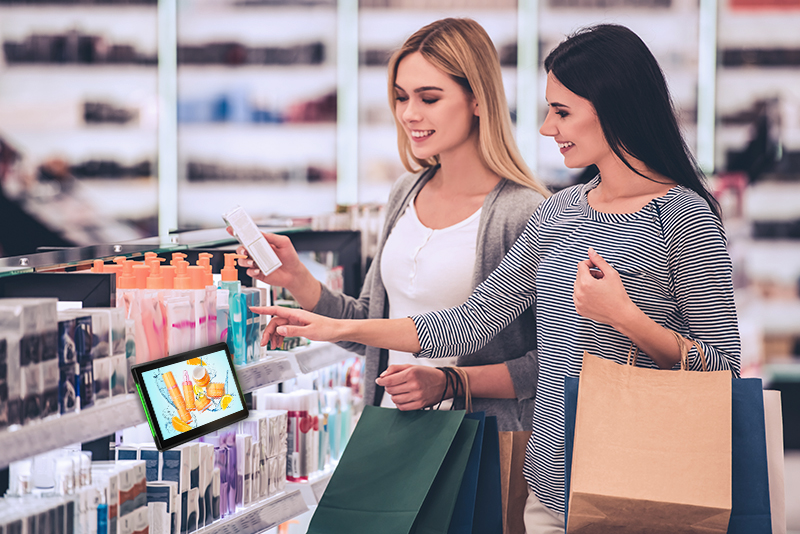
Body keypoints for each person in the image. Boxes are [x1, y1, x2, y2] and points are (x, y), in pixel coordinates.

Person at [255, 24, 742, 533]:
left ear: (613, 107)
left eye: (562, 112)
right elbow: (466, 324)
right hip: (549, 489)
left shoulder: (685, 219)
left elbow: (724, 372)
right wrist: (332, 326)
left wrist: (624, 317)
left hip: (643, 487)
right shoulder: (559, 213)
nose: (546, 128)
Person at [238, 17, 549, 431]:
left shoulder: (524, 212)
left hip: (476, 445)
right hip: (388, 429)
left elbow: (548, 366)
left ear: (478, 99)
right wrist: (298, 279)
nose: (409, 113)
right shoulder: (407, 191)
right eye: (401, 97)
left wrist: (451, 382)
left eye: (429, 98)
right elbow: (370, 325)